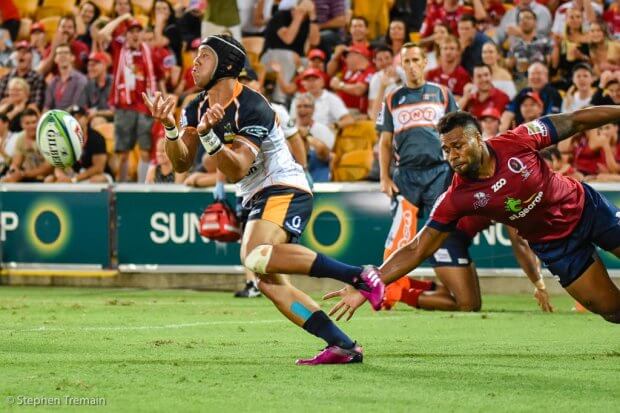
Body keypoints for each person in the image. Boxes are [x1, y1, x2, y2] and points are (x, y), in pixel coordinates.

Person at [143, 34, 385, 365]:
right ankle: (343, 345)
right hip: (256, 195)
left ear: (227, 65)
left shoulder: (254, 105)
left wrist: (210, 139)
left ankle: (358, 275)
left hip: (284, 186)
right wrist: (171, 129)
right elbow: (182, 162)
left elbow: (237, 167)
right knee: (267, 281)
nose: (195, 62)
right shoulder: (195, 105)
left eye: (204, 56)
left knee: (254, 254)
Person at [327, 108, 620, 324]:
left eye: (458, 146)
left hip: (585, 209)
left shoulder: (518, 140)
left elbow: (575, 120)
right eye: (446, 149)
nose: (452, 155)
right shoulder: (456, 197)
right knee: (610, 309)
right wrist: (371, 283)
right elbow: (418, 247)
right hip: (556, 246)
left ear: (478, 139)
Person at [44, 105, 113, 184]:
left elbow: (98, 168)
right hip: (75, 174)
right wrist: (61, 176)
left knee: (96, 180)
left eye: (79, 117)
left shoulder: (96, 137)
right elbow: (58, 166)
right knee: (49, 179)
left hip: (95, 175)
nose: (76, 120)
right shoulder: (64, 139)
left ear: (87, 119)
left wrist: (75, 179)